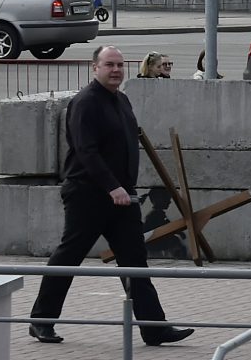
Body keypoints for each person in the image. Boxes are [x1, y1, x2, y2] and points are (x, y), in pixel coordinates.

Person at [26, 47, 193, 346]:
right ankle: (41, 321)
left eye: (119, 65)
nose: (116, 70)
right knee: (69, 257)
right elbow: (86, 151)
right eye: (109, 65)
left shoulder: (122, 100)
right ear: (95, 68)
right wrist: (111, 186)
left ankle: (154, 328)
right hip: (88, 195)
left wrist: (125, 188)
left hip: (122, 198)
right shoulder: (85, 103)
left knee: (134, 262)